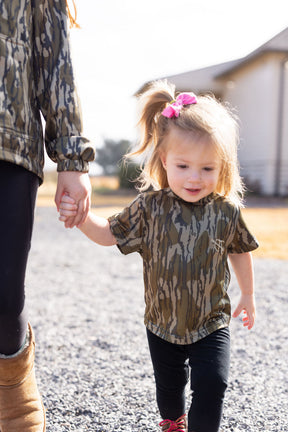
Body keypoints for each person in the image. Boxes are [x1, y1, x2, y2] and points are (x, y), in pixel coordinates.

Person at [59, 80, 258, 432]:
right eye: (183, 166)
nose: (195, 178)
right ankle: (173, 420)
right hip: (161, 324)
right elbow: (109, 233)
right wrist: (81, 218)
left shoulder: (225, 211)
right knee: (169, 389)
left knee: (213, 383)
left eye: (207, 169)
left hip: (211, 322)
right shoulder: (150, 208)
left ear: (222, 166)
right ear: (164, 160)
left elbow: (240, 250)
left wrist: (249, 295)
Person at [0, 0, 95, 430]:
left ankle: (10, 382)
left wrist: (72, 158)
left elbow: (54, 52)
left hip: (10, 141)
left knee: (4, 296)